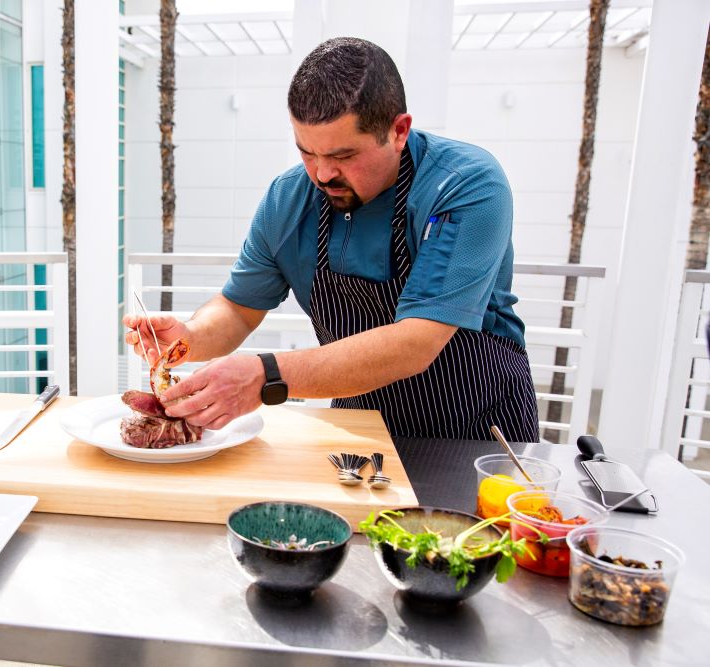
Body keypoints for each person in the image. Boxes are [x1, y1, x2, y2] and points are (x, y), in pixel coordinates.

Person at [124, 37, 539, 442]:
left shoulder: (465, 184)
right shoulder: (288, 198)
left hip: (480, 433)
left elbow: (415, 341)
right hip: (361, 429)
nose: (321, 174)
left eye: (343, 156)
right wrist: (190, 337)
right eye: (307, 152)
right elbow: (238, 309)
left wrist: (266, 375)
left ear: (398, 130)